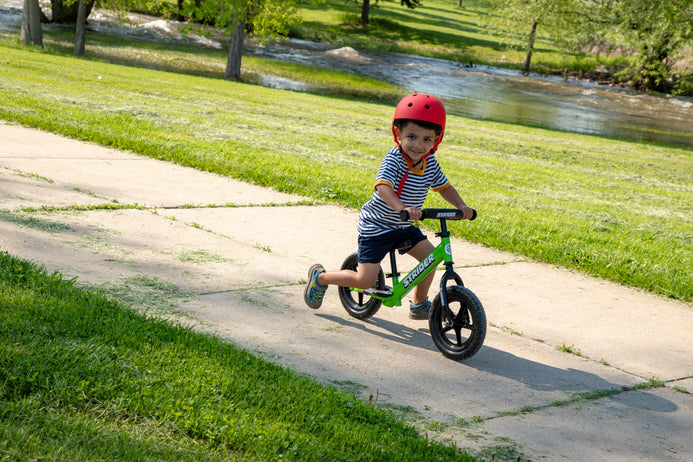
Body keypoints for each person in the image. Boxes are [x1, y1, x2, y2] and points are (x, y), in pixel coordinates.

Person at [304, 93, 474, 319]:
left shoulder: (430, 163)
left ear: (436, 140)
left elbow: (444, 187)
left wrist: (461, 206)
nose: (418, 145)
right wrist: (402, 207)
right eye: (412, 136)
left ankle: (418, 303)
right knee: (365, 280)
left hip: (404, 226)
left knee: (431, 259)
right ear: (398, 133)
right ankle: (320, 278)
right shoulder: (394, 159)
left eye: (427, 139)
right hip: (377, 226)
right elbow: (383, 187)